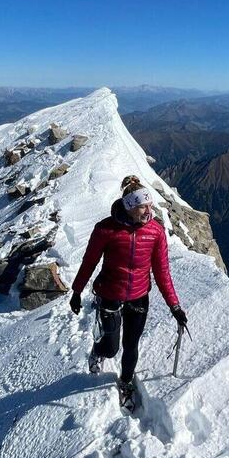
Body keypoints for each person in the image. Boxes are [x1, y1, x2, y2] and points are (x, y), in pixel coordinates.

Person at [69, 175, 188, 410]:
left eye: (150, 204)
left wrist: (175, 306)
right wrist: (76, 291)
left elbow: (162, 271)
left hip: (139, 296)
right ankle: (98, 350)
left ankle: (126, 382)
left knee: (131, 344)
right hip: (110, 293)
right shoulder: (106, 229)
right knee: (111, 348)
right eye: (143, 205)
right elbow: (89, 262)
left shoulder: (155, 232)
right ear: (130, 207)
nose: (149, 210)